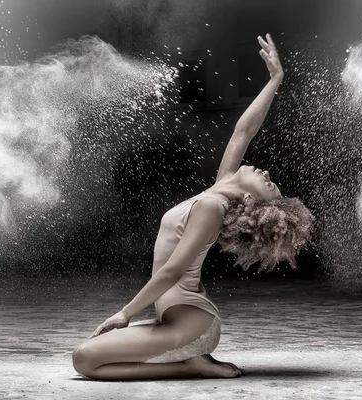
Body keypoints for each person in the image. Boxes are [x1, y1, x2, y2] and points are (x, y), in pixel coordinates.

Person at [72, 34, 314, 380]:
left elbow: (170, 272)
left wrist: (125, 313)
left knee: (84, 360)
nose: (266, 173)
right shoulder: (220, 186)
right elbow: (243, 132)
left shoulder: (212, 208)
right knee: (87, 359)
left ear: (250, 200)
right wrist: (275, 79)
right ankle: (188, 361)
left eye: (268, 185)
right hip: (176, 318)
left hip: (194, 324)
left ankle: (189, 362)